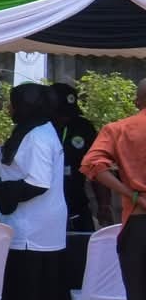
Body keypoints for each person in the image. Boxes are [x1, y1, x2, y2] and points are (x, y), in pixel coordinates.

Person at [79, 77, 146, 300]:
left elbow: (93, 165)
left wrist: (131, 194)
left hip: (139, 221)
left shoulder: (119, 129)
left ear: (138, 100)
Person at [0, 82, 70, 300]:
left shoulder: (38, 136)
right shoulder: (35, 131)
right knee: (38, 293)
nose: (11, 109)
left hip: (33, 229)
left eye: (14, 104)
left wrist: (0, 192)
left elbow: (38, 183)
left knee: (32, 296)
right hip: (36, 226)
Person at [50, 82, 99, 231]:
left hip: (77, 203)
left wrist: (103, 204)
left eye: (69, 113)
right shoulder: (38, 129)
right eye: (62, 113)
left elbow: (97, 166)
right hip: (46, 207)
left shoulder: (83, 127)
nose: (66, 118)